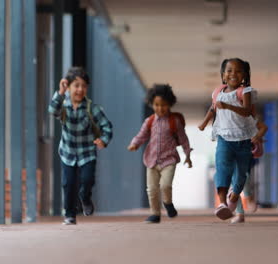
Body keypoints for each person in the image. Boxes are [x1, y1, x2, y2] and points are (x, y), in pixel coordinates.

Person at [48, 67, 113, 225]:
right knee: (68, 184)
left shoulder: (92, 108)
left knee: (87, 179)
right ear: (69, 87)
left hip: (87, 153)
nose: (80, 89)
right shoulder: (63, 105)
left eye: (84, 86)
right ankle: (70, 215)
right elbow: (52, 110)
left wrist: (103, 140)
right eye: (76, 85)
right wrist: (60, 92)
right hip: (68, 152)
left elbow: (107, 126)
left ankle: (85, 197)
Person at [199, 58, 258, 220]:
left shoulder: (245, 91)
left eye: (238, 71)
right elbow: (213, 108)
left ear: (244, 75)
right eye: (229, 70)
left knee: (241, 175)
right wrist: (204, 123)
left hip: (243, 139)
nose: (233, 74)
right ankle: (222, 203)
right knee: (223, 167)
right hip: (224, 137)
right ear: (223, 76)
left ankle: (234, 196)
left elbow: (246, 111)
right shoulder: (217, 92)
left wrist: (227, 106)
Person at [127, 84, 193, 224]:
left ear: (169, 104)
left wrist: (187, 155)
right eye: (156, 105)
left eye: (163, 105)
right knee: (151, 189)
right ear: (152, 104)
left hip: (169, 160)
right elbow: (142, 135)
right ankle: (155, 214)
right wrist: (135, 144)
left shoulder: (174, 121)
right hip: (151, 160)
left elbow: (183, 139)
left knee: (165, 185)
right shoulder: (149, 121)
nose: (160, 108)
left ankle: (168, 203)